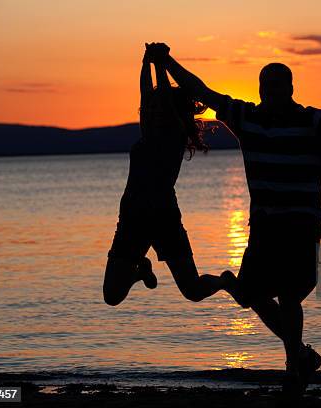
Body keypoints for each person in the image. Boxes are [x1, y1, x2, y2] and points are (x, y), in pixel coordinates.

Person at [148, 42, 321, 395]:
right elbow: (200, 90)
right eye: (266, 87)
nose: (272, 93)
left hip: (301, 226)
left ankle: (295, 370)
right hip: (265, 228)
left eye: (278, 86)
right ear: (260, 89)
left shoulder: (313, 121)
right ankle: (300, 356)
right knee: (249, 295)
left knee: (291, 297)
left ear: (290, 89)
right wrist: (166, 61)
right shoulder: (247, 117)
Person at [103, 45, 228, 307]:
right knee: (112, 296)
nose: (152, 109)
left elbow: (160, 100)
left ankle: (225, 281)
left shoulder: (175, 131)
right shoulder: (149, 130)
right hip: (132, 215)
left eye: (160, 106)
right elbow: (145, 94)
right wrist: (145, 62)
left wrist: (160, 64)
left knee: (192, 290)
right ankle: (140, 272)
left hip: (163, 217)